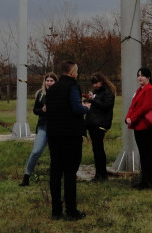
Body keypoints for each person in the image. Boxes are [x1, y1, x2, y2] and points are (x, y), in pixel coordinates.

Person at [44, 61, 89, 221]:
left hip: (54, 135)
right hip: (70, 135)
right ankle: (71, 211)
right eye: (76, 71)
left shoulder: (51, 89)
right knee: (70, 173)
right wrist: (86, 108)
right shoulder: (72, 86)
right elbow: (76, 109)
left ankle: (56, 210)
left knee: (55, 172)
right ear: (71, 72)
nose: (77, 74)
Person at [20, 73, 57, 187]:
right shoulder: (41, 94)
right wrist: (42, 110)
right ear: (44, 82)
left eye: (51, 81)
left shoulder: (59, 94)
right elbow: (35, 110)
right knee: (36, 152)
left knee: (55, 154)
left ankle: (55, 176)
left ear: (55, 82)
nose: (49, 83)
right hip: (43, 126)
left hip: (55, 127)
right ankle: (26, 176)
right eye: (47, 80)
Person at [124, 67, 152, 189]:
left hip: (146, 126)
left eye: (143, 75)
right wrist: (128, 117)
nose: (140, 77)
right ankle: (144, 180)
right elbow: (132, 106)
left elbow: (145, 107)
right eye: (138, 75)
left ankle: (147, 181)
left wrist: (132, 118)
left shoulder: (149, 90)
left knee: (146, 154)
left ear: (148, 77)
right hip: (138, 126)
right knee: (143, 153)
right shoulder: (139, 90)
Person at [83, 71, 116, 182]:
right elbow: (94, 103)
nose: (94, 85)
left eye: (96, 83)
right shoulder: (97, 91)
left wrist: (93, 100)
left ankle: (101, 175)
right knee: (96, 149)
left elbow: (106, 106)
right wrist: (87, 100)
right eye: (93, 83)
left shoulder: (108, 92)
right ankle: (100, 174)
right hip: (93, 123)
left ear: (101, 81)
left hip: (100, 124)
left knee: (99, 150)